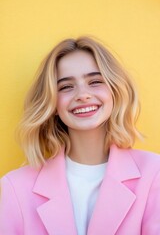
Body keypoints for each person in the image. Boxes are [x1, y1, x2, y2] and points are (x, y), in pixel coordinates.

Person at [0, 36, 160, 235]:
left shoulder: (154, 174)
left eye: (95, 81)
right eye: (66, 86)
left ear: (114, 92)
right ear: (53, 104)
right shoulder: (15, 187)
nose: (82, 95)